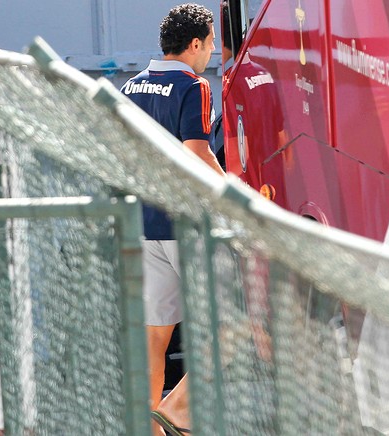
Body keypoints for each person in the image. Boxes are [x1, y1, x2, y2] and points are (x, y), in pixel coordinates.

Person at [119, 4, 224, 435]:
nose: (213, 52)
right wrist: (238, 196)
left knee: (154, 336)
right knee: (228, 330)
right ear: (195, 44)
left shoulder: (128, 87)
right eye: (212, 43)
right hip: (184, 225)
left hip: (143, 225)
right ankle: (177, 408)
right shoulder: (193, 86)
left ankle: (150, 426)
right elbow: (197, 154)